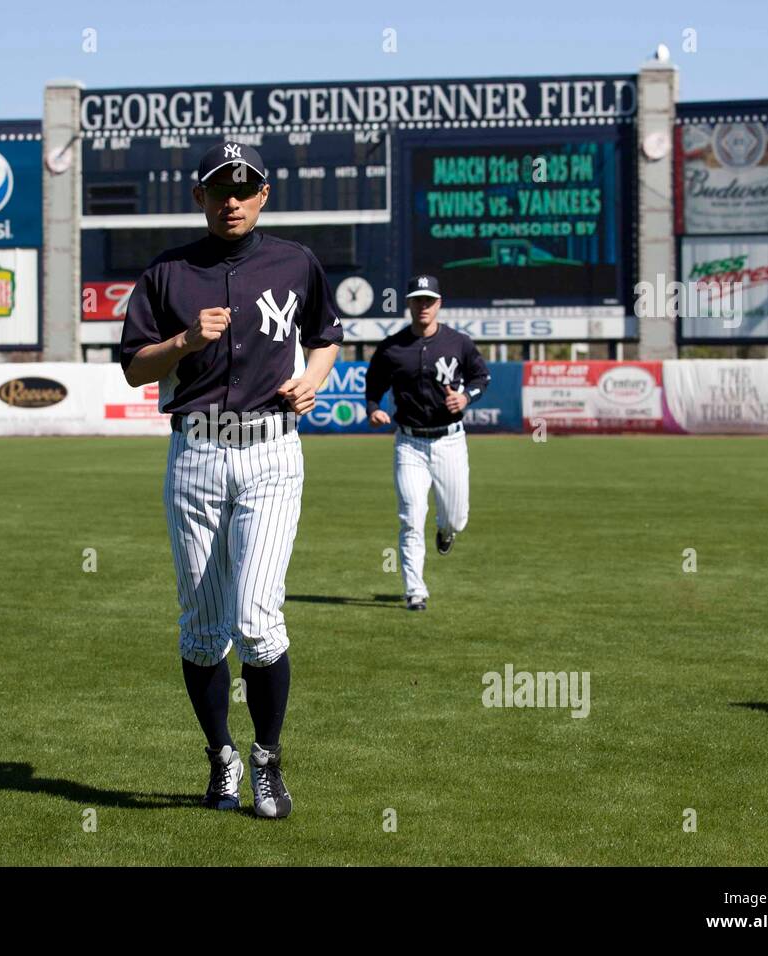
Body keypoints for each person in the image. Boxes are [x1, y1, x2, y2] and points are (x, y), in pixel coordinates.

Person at [120, 142, 342, 817]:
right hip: (196, 456)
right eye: (220, 189)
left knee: (256, 616)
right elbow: (133, 368)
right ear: (200, 198)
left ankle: (268, 760)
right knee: (201, 627)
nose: (233, 200)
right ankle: (222, 756)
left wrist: (314, 377)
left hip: (272, 455)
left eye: (245, 189)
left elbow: (327, 336)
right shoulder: (167, 271)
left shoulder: (295, 262)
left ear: (264, 195)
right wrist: (185, 342)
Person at [365, 274, 489, 611]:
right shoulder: (391, 347)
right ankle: (414, 590)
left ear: (439, 304)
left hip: (449, 441)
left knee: (456, 518)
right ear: (408, 303)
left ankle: (446, 532)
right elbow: (373, 386)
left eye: (429, 300)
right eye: (417, 299)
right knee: (411, 516)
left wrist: (465, 397)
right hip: (409, 444)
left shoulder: (459, 343)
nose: (423, 305)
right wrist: (374, 409)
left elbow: (482, 377)